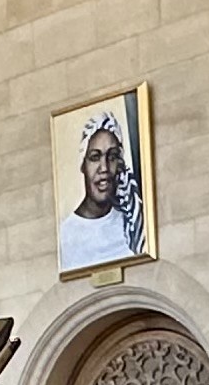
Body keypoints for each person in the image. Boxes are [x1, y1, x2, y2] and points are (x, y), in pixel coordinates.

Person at [62, 108, 146, 268]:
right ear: (83, 165)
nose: (104, 168)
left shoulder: (132, 223)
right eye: (95, 157)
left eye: (112, 157)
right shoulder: (66, 234)